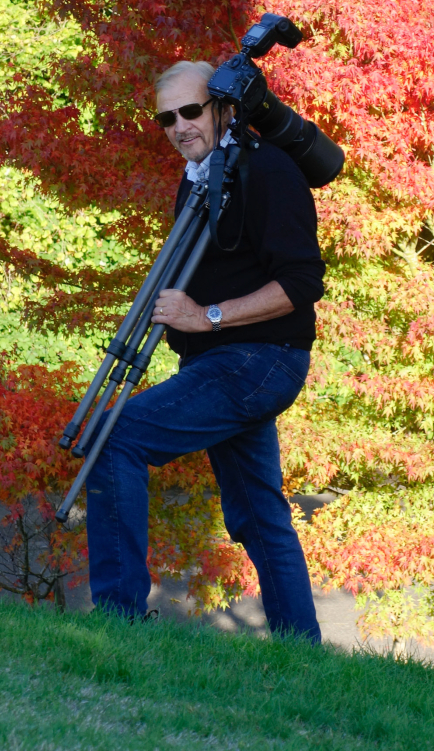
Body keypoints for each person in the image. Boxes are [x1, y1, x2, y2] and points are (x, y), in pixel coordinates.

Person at [85, 60, 325, 642]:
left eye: (190, 111)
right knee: (258, 512)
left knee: (115, 434)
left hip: (257, 359)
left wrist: (205, 317)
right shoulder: (200, 177)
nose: (178, 126)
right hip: (220, 364)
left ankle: (119, 623)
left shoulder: (268, 169)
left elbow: (301, 283)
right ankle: (303, 653)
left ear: (223, 108)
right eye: (166, 117)